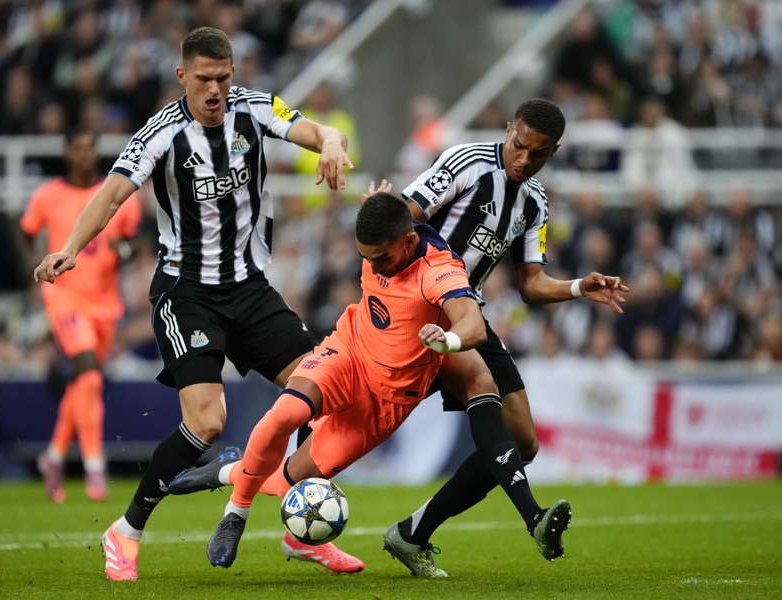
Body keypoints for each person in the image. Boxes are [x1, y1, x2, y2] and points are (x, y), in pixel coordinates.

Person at [32, 27, 352, 582]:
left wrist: (331, 143)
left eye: (224, 78)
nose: (216, 90)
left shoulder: (254, 108)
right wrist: (70, 249)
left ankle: (300, 534)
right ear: (183, 77)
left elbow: (315, 129)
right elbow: (111, 194)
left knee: (319, 391)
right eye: (204, 79)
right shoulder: (161, 133)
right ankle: (126, 530)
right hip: (186, 293)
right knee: (207, 422)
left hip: (251, 289)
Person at [379, 98, 630, 576]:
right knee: (474, 389)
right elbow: (403, 215)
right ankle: (532, 516)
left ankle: (413, 534)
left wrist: (580, 287)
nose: (523, 159)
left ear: (552, 153)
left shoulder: (534, 200)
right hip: (420, 307)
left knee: (523, 439)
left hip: (468, 315)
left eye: (537, 154)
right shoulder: (466, 162)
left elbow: (531, 283)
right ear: (509, 129)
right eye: (519, 145)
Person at [185, 191, 491, 569]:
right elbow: (395, 206)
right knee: (285, 412)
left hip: (385, 401)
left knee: (284, 482)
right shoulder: (384, 236)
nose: (375, 268)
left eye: (382, 258)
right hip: (349, 351)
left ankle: (228, 469)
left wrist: (449, 340)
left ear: (409, 240)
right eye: (367, 258)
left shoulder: (438, 270)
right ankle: (236, 515)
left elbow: (474, 325)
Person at [21, 128, 141, 503]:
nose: (85, 155)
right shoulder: (48, 196)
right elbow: (26, 233)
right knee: (88, 373)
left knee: (84, 383)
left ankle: (54, 456)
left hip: (104, 302)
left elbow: (128, 242)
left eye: (90, 148)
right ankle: (94, 465)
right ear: (67, 153)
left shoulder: (117, 193)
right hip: (65, 298)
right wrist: (35, 269)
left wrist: (122, 251)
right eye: (77, 148)